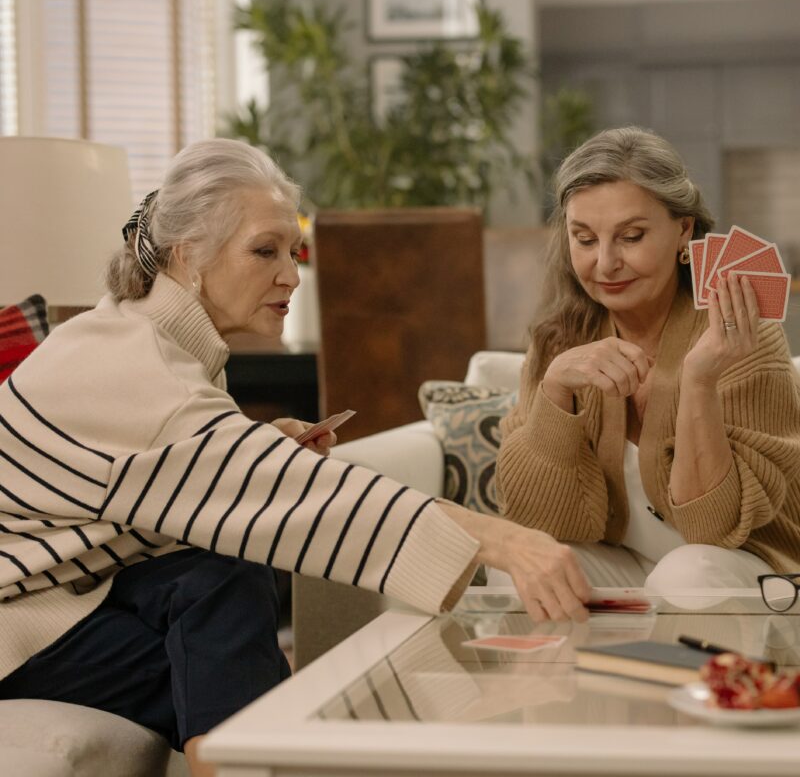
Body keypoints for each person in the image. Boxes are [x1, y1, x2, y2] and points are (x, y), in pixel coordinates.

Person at [0, 139, 590, 776]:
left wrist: (252, 455)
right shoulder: (142, 368)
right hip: (24, 623)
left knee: (230, 616)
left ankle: (264, 754)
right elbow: (322, 500)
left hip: (70, 594)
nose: (290, 274)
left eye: (292, 251)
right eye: (264, 251)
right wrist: (503, 540)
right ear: (185, 255)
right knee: (235, 594)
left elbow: (150, 481)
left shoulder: (133, 334)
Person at [495, 126, 800, 610]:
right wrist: (555, 391)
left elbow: (712, 529)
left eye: (631, 237)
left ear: (683, 230)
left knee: (685, 575)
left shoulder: (745, 336)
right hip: (626, 560)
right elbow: (535, 517)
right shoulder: (559, 339)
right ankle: (564, 689)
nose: (606, 263)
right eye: (585, 239)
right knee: (522, 568)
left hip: (743, 568)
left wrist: (698, 380)